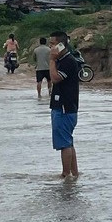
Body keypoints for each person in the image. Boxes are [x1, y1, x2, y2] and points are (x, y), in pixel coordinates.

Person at [48, 30, 80, 179]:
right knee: (68, 141)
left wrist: (52, 60)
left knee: (65, 144)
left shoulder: (67, 61)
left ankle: (65, 174)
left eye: (53, 44)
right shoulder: (64, 60)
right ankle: (74, 173)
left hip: (64, 107)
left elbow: (54, 78)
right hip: (64, 107)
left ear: (61, 45)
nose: (51, 48)